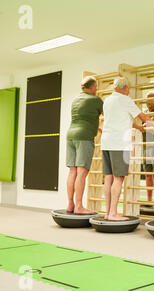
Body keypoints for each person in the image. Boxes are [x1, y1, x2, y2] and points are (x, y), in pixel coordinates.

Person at [101, 77, 150, 221]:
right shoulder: (125, 100)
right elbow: (142, 116)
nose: (128, 91)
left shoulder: (108, 100)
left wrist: (138, 127)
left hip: (107, 142)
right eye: (128, 88)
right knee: (119, 177)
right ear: (125, 88)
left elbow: (121, 119)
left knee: (108, 177)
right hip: (119, 143)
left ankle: (108, 212)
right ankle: (114, 213)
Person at [66, 76, 104, 215]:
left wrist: (96, 128)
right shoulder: (95, 100)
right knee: (82, 172)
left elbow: (83, 118)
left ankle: (71, 204)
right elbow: (109, 115)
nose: (97, 89)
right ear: (93, 87)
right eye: (96, 87)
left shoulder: (76, 99)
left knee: (73, 171)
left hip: (71, 136)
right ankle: (79, 206)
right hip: (84, 137)